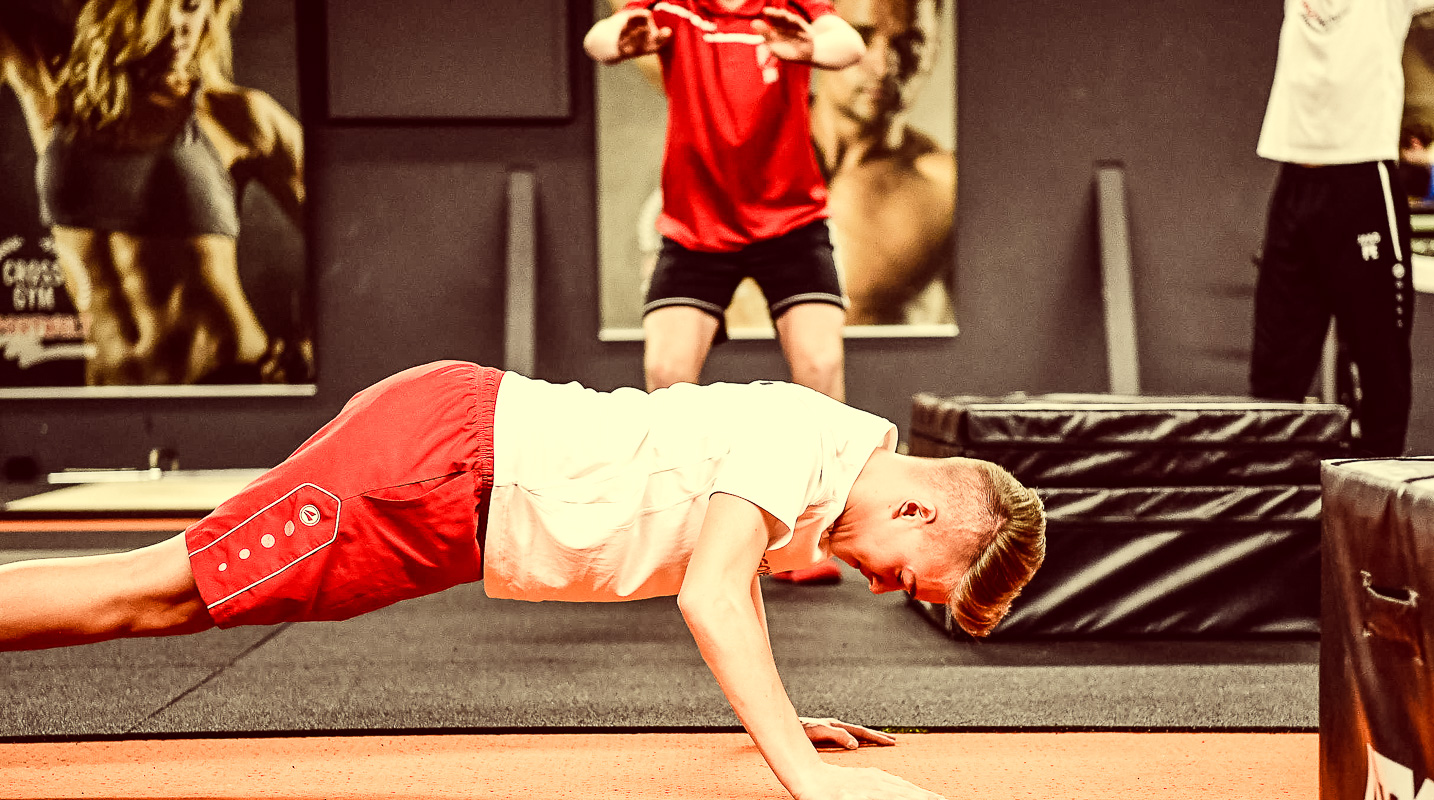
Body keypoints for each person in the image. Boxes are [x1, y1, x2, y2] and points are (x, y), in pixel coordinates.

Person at [0, 359, 1047, 800]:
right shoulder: (800, 437)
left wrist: (785, 713)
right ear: (918, 509)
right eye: (916, 581)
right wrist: (803, 774)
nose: (883, 593)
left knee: (160, 593)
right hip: (436, 471)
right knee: (152, 591)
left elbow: (716, 569)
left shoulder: (818, 468)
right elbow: (710, 594)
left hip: (450, 494)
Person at [0, 0, 308, 386]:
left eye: (193, 7)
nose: (179, 24)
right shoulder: (56, 95)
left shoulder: (239, 116)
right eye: (160, 7)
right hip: (106, 396)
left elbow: (351, 224)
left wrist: (310, 345)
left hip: (225, 378)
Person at [584, 1, 863, 403]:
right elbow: (599, 41)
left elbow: (848, 44)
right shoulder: (675, 9)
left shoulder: (785, 9)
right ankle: (682, 467)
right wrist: (623, 41)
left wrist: (809, 49)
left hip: (791, 223)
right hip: (696, 228)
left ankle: (827, 467)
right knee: (667, 373)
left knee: (820, 366)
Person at [1249, 0, 1434, 457]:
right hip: (1296, 177)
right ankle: (1269, 509)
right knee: (1275, 371)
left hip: (1361, 178)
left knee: (1378, 359)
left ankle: (1375, 510)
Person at [809, 0, 955, 327]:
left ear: (934, 49)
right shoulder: (738, 145)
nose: (882, 66)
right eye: (860, 35)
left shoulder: (948, 189)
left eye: (910, 43)